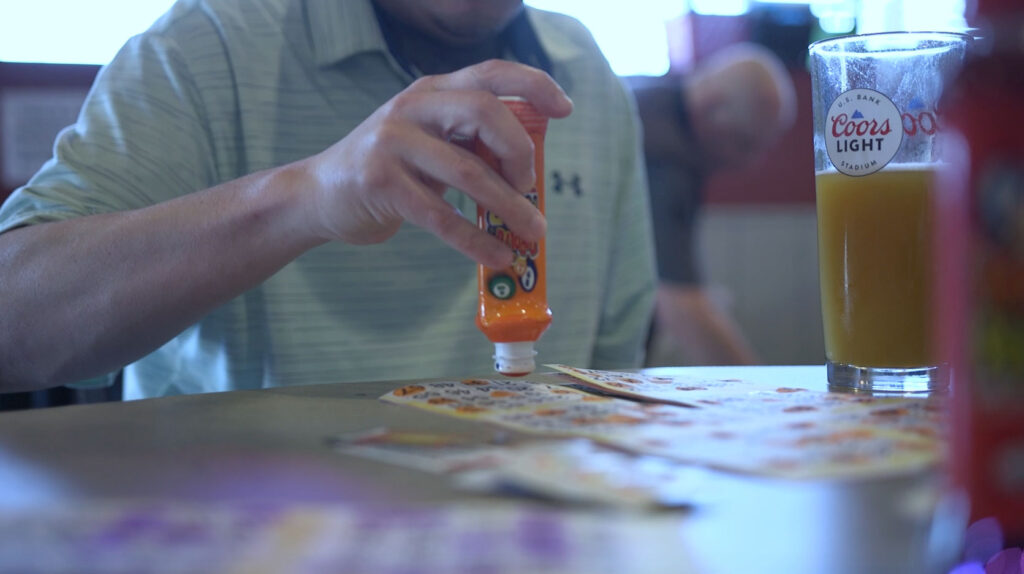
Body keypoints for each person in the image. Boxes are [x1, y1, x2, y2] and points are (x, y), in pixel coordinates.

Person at [0, 0, 656, 399]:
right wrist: (305, 198)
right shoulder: (206, 44)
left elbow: (617, 367)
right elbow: (14, 326)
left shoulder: (588, 74)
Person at [630, 43, 796, 366]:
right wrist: (762, 396)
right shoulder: (664, 154)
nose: (748, 165)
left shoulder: (654, 107)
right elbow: (679, 303)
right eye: (744, 144)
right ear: (710, 105)